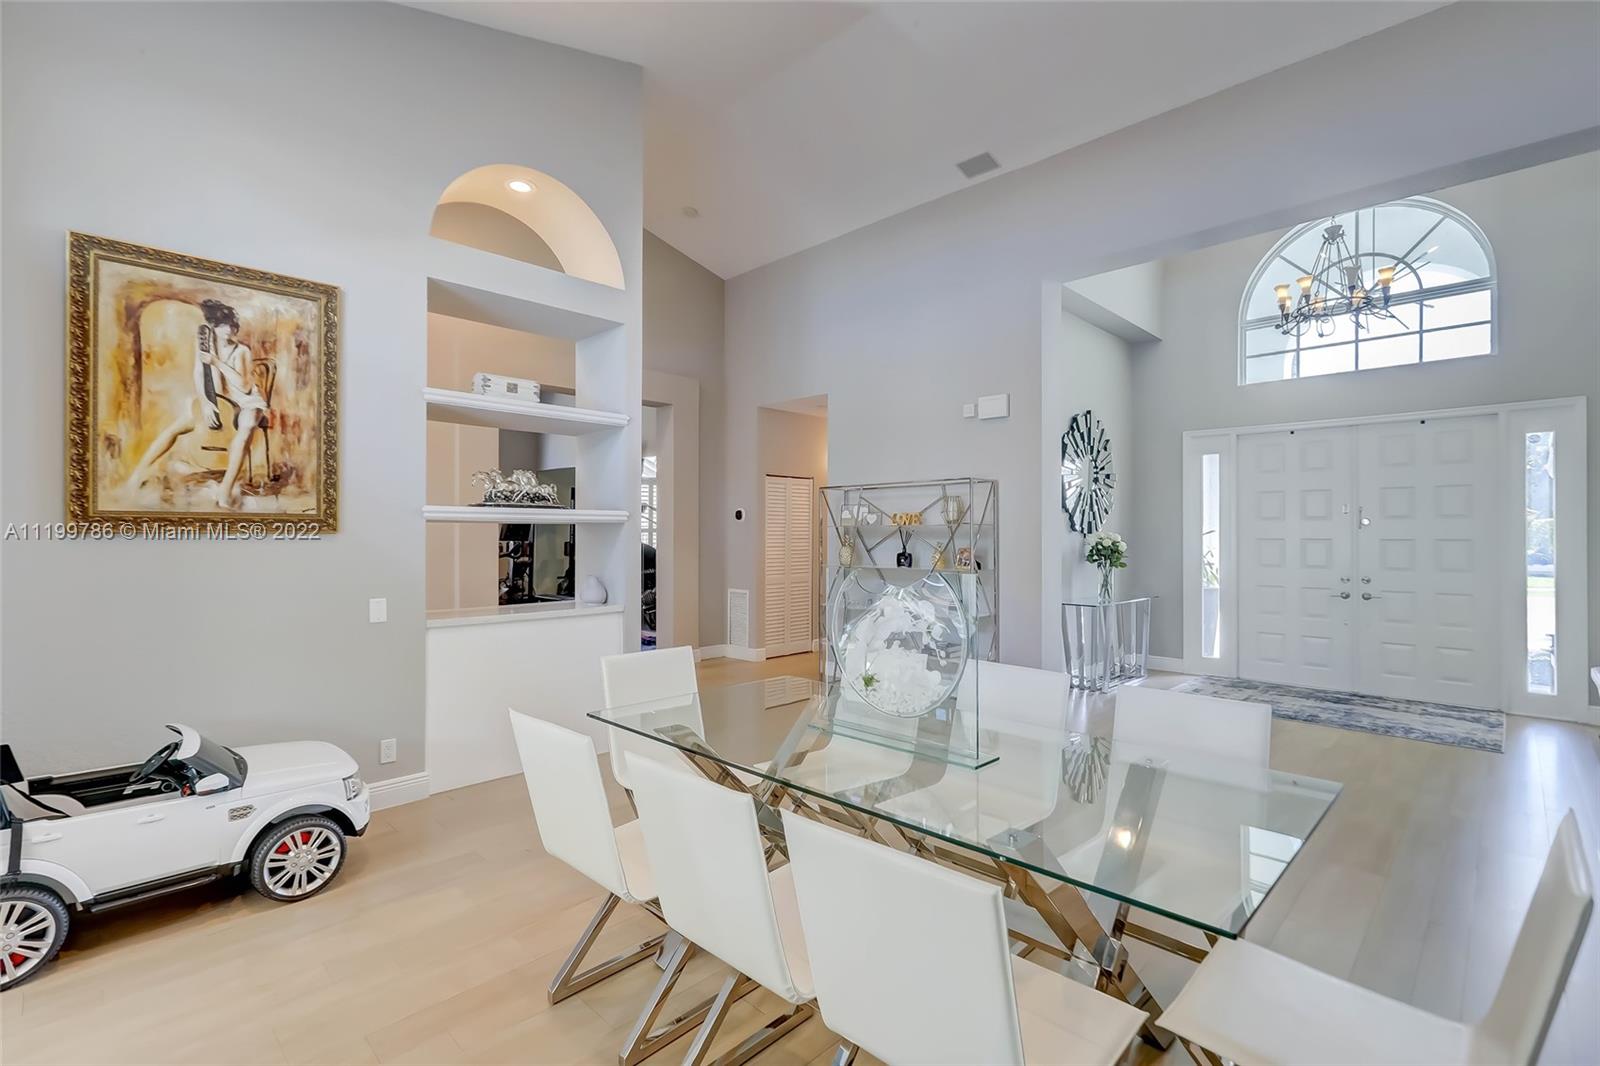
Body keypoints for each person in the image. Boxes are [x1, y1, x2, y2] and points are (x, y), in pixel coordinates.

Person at [127, 299, 267, 507]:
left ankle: (225, 492)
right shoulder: (205, 343)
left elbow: (245, 386)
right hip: (221, 400)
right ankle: (136, 475)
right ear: (213, 327)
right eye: (221, 326)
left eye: (230, 325)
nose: (227, 330)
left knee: (246, 429)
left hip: (247, 401)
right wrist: (206, 402)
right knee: (176, 427)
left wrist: (217, 362)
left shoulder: (242, 351)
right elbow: (199, 372)